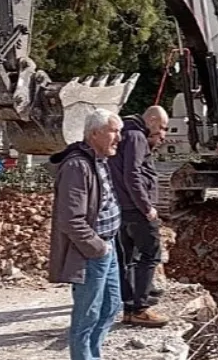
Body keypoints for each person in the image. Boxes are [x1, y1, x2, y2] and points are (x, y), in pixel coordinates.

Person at [47, 108, 124, 360]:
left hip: (107, 247)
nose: (119, 138)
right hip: (92, 252)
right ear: (94, 134)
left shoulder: (99, 160)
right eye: (113, 132)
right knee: (87, 314)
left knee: (111, 307)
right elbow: (70, 219)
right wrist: (98, 247)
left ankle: (93, 355)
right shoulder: (77, 166)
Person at [110, 105, 170, 327]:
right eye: (162, 127)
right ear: (151, 119)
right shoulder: (136, 137)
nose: (163, 133)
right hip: (136, 210)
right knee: (150, 255)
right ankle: (140, 308)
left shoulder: (124, 133)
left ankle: (130, 307)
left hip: (122, 209)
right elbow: (133, 174)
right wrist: (146, 207)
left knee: (128, 259)